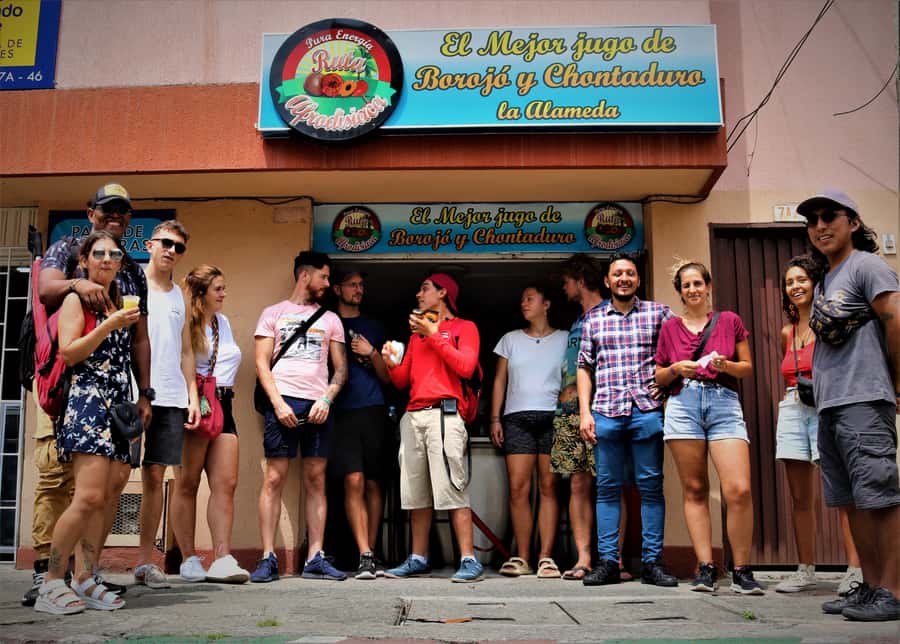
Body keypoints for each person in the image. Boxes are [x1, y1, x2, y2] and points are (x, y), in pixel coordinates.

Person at [24, 183, 149, 606]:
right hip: (83, 399)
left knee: (108, 495)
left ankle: (86, 576)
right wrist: (84, 294)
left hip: (118, 401)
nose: (108, 259)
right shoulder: (71, 273)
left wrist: (144, 394)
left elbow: (140, 340)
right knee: (77, 491)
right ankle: (49, 579)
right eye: (99, 254)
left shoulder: (128, 284)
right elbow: (69, 348)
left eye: (113, 254)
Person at [797, 189, 899, 622]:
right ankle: (872, 586)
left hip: (864, 398)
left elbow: (895, 318)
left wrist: (897, 382)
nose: (820, 226)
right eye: (813, 220)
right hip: (831, 403)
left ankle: (894, 591)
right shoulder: (825, 279)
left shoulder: (866, 265)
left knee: (880, 496)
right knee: (853, 501)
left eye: (829, 216)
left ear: (853, 223)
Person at [654, 260, 762, 594]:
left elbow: (747, 368)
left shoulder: (729, 320)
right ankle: (705, 567)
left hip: (723, 402)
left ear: (708, 286)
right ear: (680, 292)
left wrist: (725, 365)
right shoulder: (670, 328)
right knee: (695, 489)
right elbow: (659, 375)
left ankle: (741, 569)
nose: (692, 290)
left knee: (738, 489)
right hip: (683, 404)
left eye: (697, 283)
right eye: (686, 285)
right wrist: (676, 369)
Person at [577, 253, 677, 588]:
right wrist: (585, 412)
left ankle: (652, 563)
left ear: (638, 279)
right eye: (618, 273)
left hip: (646, 411)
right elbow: (584, 367)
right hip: (606, 411)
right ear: (607, 281)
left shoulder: (659, 313)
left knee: (651, 487)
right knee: (607, 488)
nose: (624, 278)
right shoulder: (593, 319)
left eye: (630, 273)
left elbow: (679, 354)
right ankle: (608, 562)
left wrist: (668, 385)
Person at [251, 251, 348, 582]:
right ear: (305, 275)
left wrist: (327, 398)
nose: (327, 283)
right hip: (282, 401)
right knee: (274, 478)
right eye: (324, 276)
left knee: (316, 479)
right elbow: (261, 363)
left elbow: (341, 369)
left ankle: (315, 557)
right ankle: (267, 557)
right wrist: (278, 403)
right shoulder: (273, 313)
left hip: (318, 404)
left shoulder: (331, 319)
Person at [381, 273, 484, 583]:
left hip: (445, 414)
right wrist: (391, 362)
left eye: (424, 288)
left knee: (453, 486)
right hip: (414, 415)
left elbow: (466, 366)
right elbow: (402, 382)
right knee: (417, 493)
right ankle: (418, 558)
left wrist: (435, 334)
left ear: (443, 293)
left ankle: (469, 559)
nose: (418, 294)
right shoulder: (416, 336)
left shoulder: (465, 328)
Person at [774, 255, 862, 594]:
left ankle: (855, 569)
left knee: (841, 491)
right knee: (800, 497)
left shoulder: (829, 325)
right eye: (789, 282)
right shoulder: (787, 332)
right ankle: (805, 569)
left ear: (815, 284)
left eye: (801, 280)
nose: (795, 286)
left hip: (826, 406)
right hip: (792, 407)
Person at [169, 265, 250, 584]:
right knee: (187, 483)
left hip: (223, 404)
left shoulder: (222, 322)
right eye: (218, 289)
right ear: (200, 294)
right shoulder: (185, 324)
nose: (224, 294)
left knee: (226, 484)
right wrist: (191, 398)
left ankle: (222, 557)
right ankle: (189, 558)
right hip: (196, 404)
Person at [133, 221, 200, 589]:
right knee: (111, 478)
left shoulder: (179, 296)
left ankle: (145, 562)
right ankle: (87, 565)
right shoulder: (132, 284)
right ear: (149, 245)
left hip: (171, 397)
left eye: (179, 247)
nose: (171, 251)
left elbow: (186, 349)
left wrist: (192, 395)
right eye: (166, 243)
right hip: (131, 395)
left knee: (156, 478)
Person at [490, 284, 567, 578]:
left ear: (546, 304)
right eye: (522, 298)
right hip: (516, 418)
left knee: (549, 487)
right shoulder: (510, 339)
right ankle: (522, 557)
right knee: (518, 488)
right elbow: (499, 381)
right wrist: (495, 418)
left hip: (553, 416)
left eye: (530, 298)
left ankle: (546, 557)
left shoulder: (564, 338)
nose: (523, 303)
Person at [330, 268, 392, 579]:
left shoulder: (375, 326)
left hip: (374, 408)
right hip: (341, 411)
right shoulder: (328, 322)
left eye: (361, 285)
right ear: (337, 289)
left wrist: (372, 353)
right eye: (352, 284)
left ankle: (371, 551)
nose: (359, 289)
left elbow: (389, 377)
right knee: (352, 480)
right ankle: (363, 552)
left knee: (373, 482)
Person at [550, 254, 604, 581]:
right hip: (569, 412)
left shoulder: (610, 314)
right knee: (578, 483)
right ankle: (584, 558)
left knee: (610, 483)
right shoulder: (577, 321)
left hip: (603, 409)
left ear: (580, 281)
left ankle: (613, 559)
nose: (564, 288)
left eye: (567, 281)